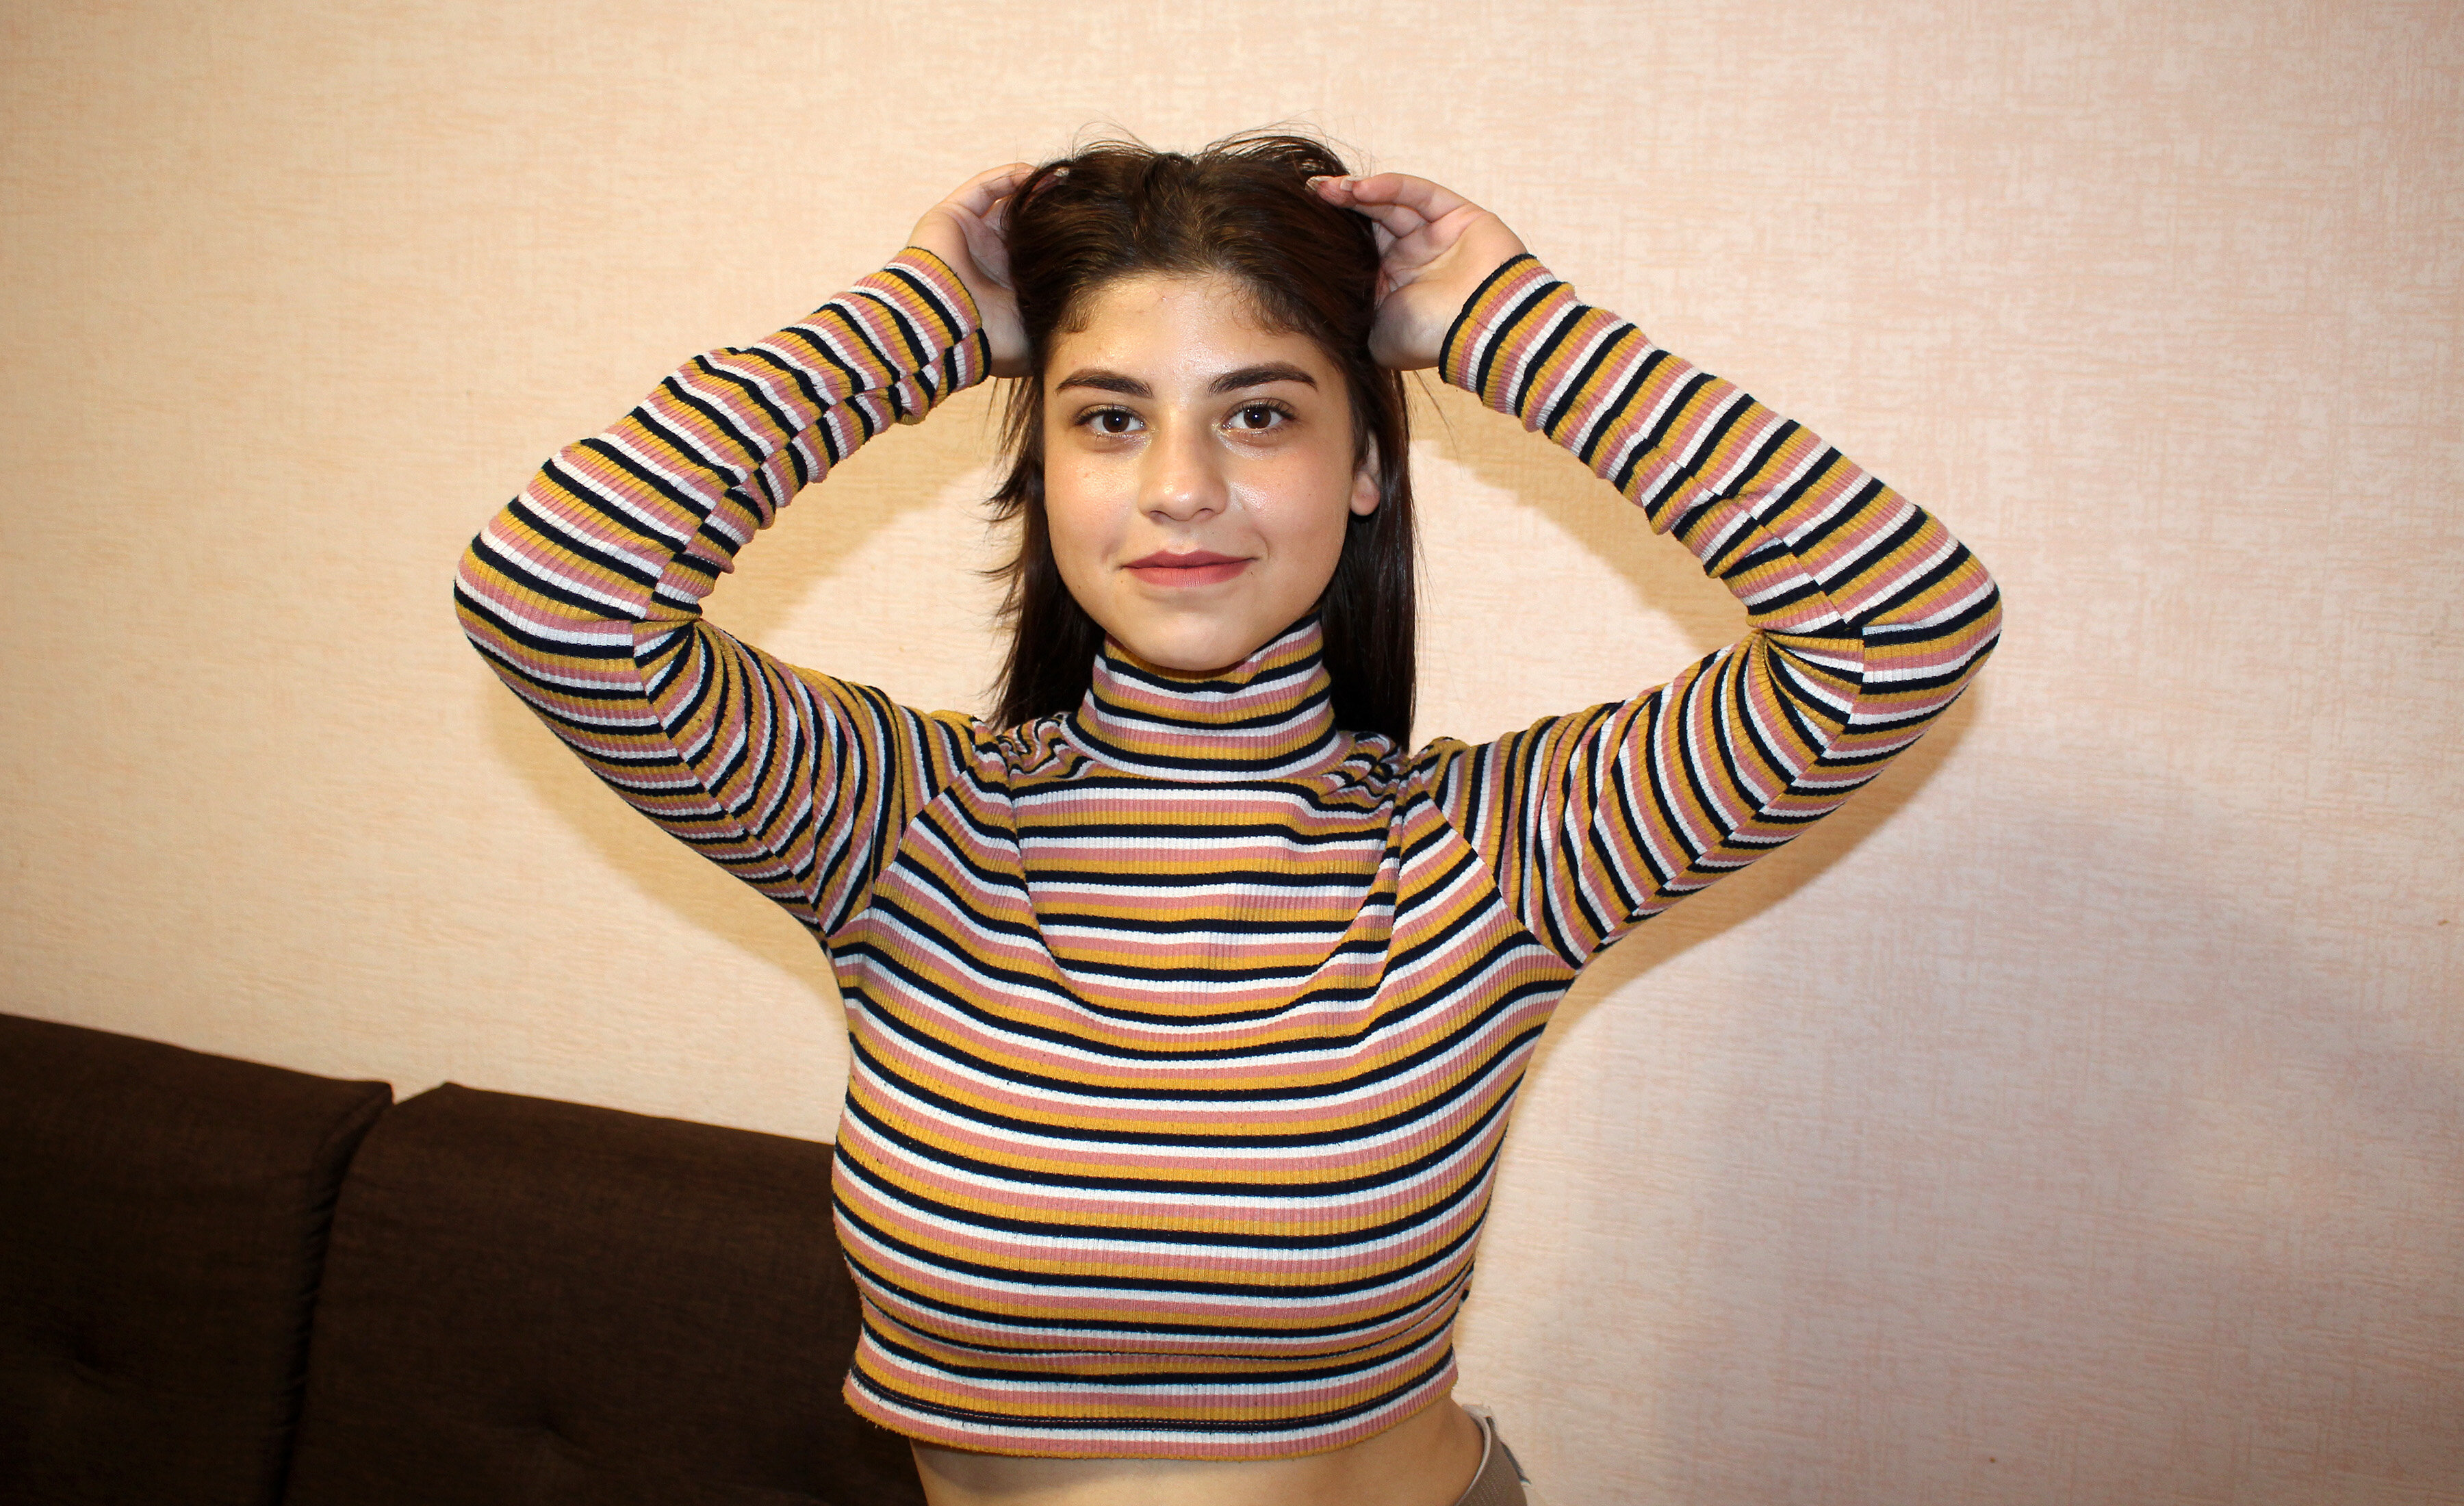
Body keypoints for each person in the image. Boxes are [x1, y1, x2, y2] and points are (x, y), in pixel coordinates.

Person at [457, 134, 2001, 1506]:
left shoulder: (1503, 856)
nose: (1182, 487)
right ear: (1040, 473)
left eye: (1259, 414)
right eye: (1108, 419)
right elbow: (553, 598)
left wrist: (1510, 327)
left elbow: (1901, 625)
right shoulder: (895, 830)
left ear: (1367, 465)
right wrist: (920, 321)